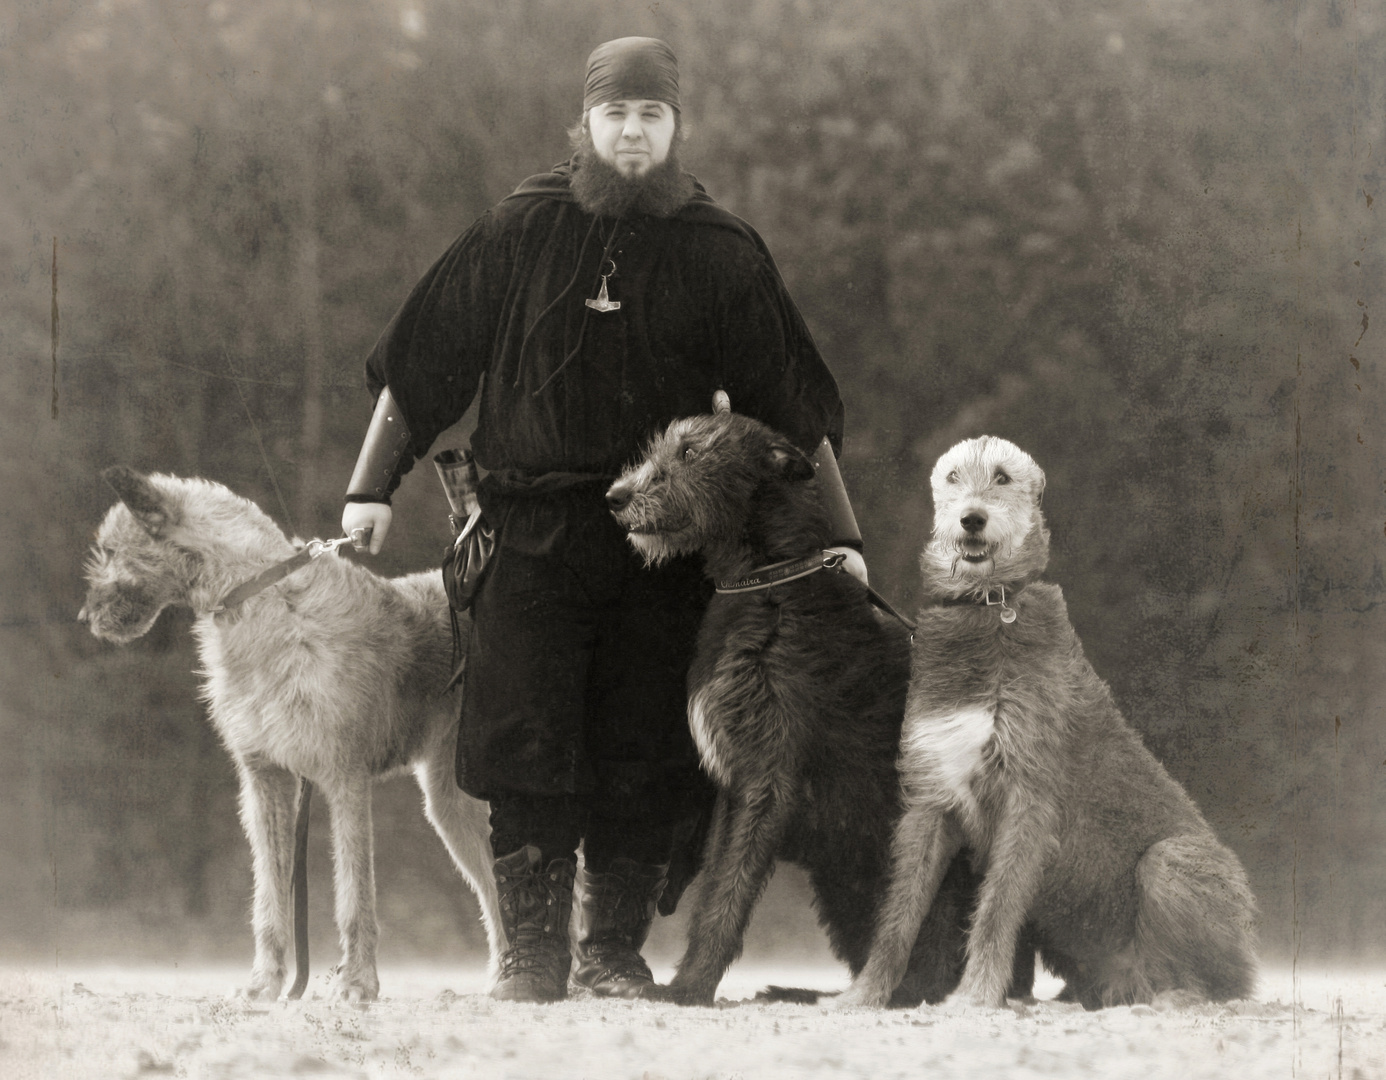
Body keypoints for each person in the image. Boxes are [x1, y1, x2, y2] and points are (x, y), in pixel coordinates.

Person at [341, 36, 866, 1004]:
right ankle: (535, 958)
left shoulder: (720, 251)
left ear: (677, 129)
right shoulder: (519, 229)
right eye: (616, 115)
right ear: (583, 125)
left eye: (651, 116)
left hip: (662, 549)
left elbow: (793, 404)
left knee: (643, 745)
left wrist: (843, 537)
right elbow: (423, 363)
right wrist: (370, 489)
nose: (633, 132)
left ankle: (612, 952)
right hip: (529, 535)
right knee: (524, 736)